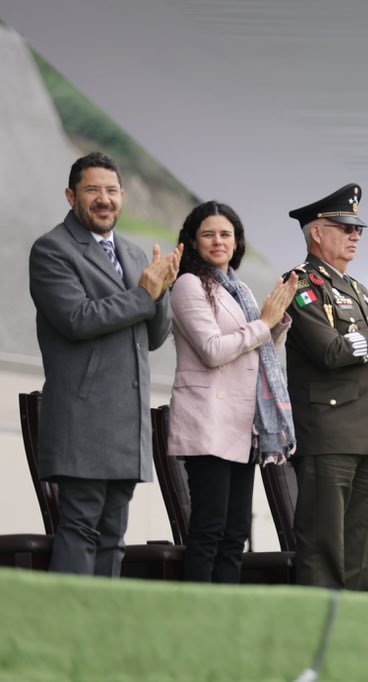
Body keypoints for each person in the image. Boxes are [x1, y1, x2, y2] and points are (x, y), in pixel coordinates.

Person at [28, 152, 181, 576]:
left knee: (114, 537)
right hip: (82, 422)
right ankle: (66, 635)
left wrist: (162, 289)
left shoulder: (133, 255)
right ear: (71, 196)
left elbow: (153, 337)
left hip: (126, 426)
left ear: (122, 197)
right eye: (93, 190)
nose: (104, 199)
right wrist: (144, 295)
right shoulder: (52, 250)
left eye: (111, 191)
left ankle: (98, 636)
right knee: (80, 530)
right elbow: (77, 320)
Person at [284, 183, 368, 589]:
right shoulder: (302, 283)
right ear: (317, 233)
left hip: (367, 434)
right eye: (344, 227)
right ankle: (317, 639)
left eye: (357, 229)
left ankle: (349, 635)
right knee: (324, 546)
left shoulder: (357, 289)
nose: (355, 235)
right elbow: (329, 352)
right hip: (329, 433)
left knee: (359, 551)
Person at [167, 201, 298, 583]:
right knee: (209, 530)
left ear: (237, 242)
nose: (218, 241)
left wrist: (277, 324)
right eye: (208, 234)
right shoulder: (188, 284)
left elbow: (258, 352)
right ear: (193, 241)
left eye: (226, 234)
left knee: (235, 533)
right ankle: (198, 616)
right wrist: (263, 324)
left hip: (242, 424)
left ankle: (225, 616)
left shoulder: (238, 288)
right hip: (208, 421)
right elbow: (212, 350)